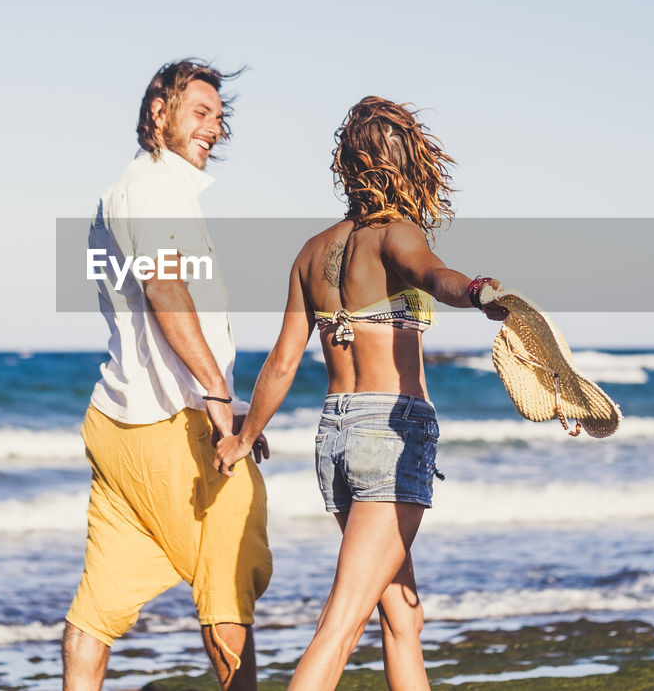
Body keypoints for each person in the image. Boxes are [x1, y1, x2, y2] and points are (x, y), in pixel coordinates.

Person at [214, 96, 508, 690]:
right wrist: (477, 292)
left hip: (336, 438)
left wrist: (245, 437)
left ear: (347, 166)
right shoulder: (398, 235)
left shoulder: (312, 251)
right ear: (405, 165)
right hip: (391, 434)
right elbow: (434, 276)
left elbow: (283, 359)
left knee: (403, 614)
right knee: (341, 624)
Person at [63, 59, 272, 691]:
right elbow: (165, 291)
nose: (216, 129)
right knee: (227, 570)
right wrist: (218, 398)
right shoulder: (153, 188)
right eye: (201, 113)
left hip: (119, 420)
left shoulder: (127, 192)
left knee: (97, 609)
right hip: (168, 424)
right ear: (161, 113)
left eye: (220, 117)